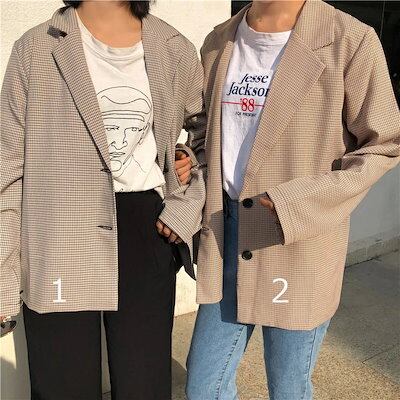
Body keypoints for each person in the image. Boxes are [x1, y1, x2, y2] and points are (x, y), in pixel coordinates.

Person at [177, 0, 400, 399]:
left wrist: (298, 202)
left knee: (288, 388)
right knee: (203, 387)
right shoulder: (219, 41)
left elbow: (383, 145)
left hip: (298, 238)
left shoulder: (349, 40)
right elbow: (204, 130)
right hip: (225, 234)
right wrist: (191, 160)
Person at [0, 1, 205, 399]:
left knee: (143, 384)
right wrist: (4, 279)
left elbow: (206, 137)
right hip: (58, 233)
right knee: (63, 385)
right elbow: (8, 171)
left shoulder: (172, 46)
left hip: (147, 229)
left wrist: (185, 197)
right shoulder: (36, 48)